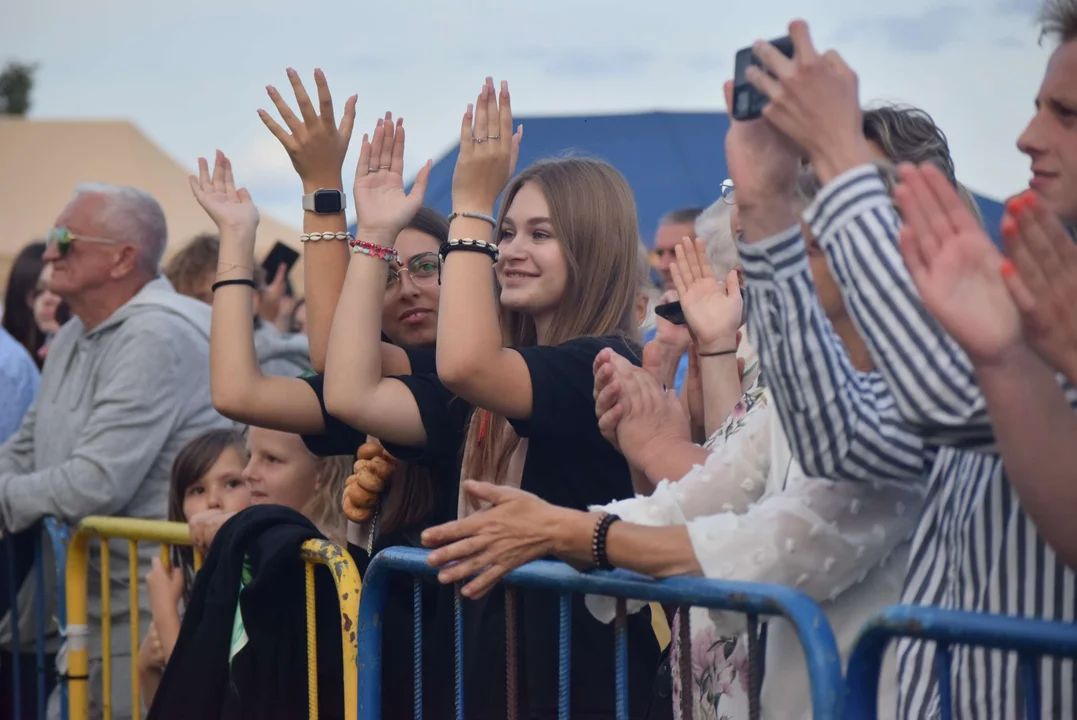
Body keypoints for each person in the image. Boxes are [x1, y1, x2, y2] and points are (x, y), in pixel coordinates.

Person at [736, 16, 1075, 719]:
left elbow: (948, 395)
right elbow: (839, 437)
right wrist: (765, 209)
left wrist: (837, 153)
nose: (1026, 137)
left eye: (1065, 114)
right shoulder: (1043, 296)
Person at [322, 78, 659, 718]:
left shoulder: (606, 363)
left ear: (593, 246)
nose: (510, 251)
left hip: (583, 691)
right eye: (505, 233)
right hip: (491, 684)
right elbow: (349, 390)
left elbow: (470, 363)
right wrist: (373, 235)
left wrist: (472, 203)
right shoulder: (486, 390)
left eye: (540, 234)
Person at [0, 182, 231, 720]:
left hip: (154, 604)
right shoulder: (78, 332)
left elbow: (94, 481)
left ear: (123, 258)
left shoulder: (155, 335)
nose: (50, 250)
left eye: (65, 238)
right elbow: (27, 444)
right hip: (90, 598)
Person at [136, 428, 250, 708]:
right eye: (197, 490)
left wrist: (165, 617)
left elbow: (199, 697)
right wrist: (146, 668)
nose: (213, 501)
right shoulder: (197, 583)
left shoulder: (255, 579)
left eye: (232, 483)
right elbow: (168, 709)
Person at [164, 233, 310, 376]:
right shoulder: (178, 360)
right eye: (185, 303)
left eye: (207, 300)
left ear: (252, 301)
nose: (194, 313)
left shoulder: (276, 372)